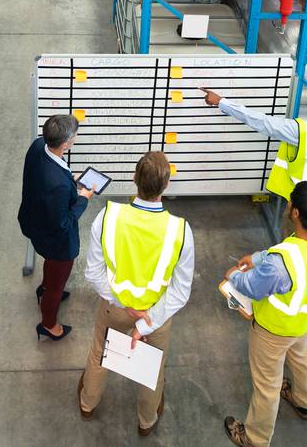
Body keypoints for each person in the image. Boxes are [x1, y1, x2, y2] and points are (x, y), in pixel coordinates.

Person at [78, 150, 193, 437]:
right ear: (166, 186)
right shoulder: (181, 231)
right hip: (156, 315)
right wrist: (144, 322)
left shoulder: (108, 217)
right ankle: (146, 421)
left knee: (99, 354)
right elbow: (180, 292)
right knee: (152, 370)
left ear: (134, 179)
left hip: (114, 309)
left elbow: (92, 272)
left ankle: (87, 403)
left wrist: (122, 303)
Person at [221, 181, 307, 447]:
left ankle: (254, 438)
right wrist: (258, 257)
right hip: (303, 321)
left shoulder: (281, 265)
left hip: (272, 330)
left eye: (291, 202)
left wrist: (233, 276)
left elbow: (252, 286)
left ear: (295, 213)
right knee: (301, 359)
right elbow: (289, 251)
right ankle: (302, 401)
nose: (288, 205)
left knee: (267, 385)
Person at [202, 77, 307, 211]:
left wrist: (221, 102)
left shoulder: (304, 131)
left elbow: (262, 122)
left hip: (303, 207)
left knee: (293, 245)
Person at [17, 114, 94, 341]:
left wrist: (70, 178)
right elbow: (62, 224)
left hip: (34, 222)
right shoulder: (58, 186)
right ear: (66, 143)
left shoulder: (38, 145)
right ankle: (49, 324)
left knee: (51, 269)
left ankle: (44, 288)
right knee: (58, 284)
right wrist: (83, 198)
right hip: (56, 241)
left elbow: (45, 174)